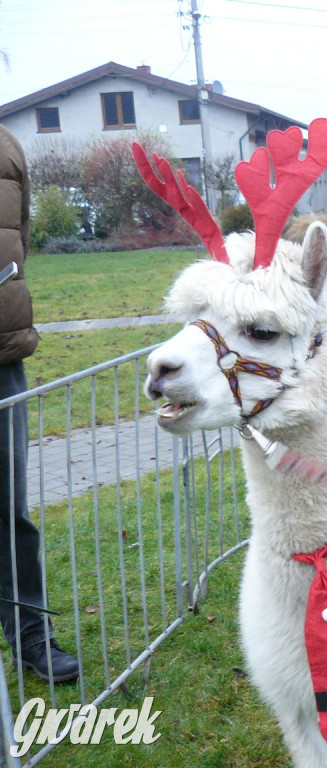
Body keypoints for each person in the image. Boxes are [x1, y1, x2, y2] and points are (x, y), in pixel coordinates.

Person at [0, 124, 80, 684]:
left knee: (10, 510)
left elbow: (17, 238)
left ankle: (30, 635)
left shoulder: (6, 145)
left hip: (3, 354)